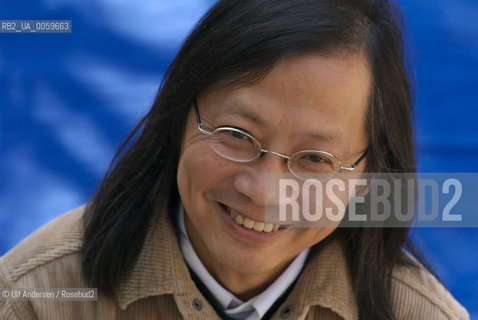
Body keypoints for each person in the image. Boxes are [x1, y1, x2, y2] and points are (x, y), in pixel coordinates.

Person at [0, 0, 470, 319]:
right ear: (178, 117)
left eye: (314, 159)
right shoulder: (36, 297)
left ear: (369, 178)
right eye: (236, 135)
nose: (264, 191)